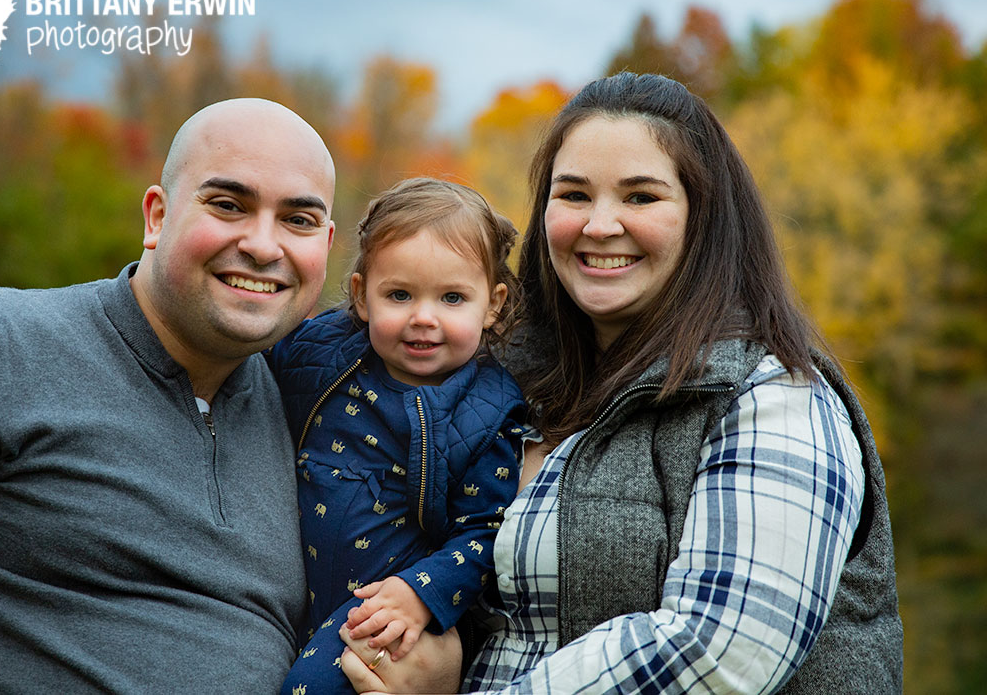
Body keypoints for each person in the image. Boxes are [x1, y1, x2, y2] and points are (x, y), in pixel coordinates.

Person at [339, 73, 903, 694]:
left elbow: (717, 653)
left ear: (704, 218)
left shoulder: (774, 401)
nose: (600, 225)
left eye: (640, 197)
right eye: (574, 194)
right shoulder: (498, 385)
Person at [0, 98, 337, 692]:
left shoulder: (316, 412)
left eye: (299, 220)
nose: (264, 246)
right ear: (157, 217)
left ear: (328, 245)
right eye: (229, 205)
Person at [268, 178, 526, 695]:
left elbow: (485, 533)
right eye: (400, 295)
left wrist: (418, 594)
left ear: (492, 305)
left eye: (453, 298)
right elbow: (241, 368)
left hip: (380, 605)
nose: (423, 318)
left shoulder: (490, 410)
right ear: (363, 295)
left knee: (310, 689)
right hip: (288, 584)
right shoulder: (318, 352)